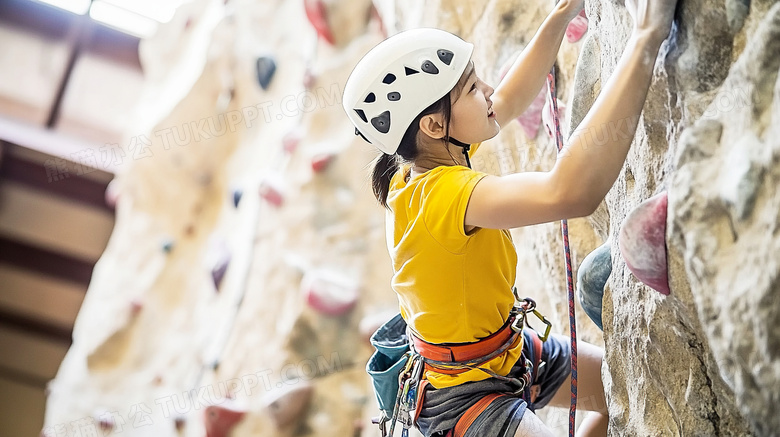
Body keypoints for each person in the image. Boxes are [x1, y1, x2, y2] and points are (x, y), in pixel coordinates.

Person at [343, 0, 679, 435]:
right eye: (470, 88)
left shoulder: (427, 158)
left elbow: (507, 99)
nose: (487, 90)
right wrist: (644, 40)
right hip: (464, 398)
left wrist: (560, 15)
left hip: (503, 351)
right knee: (618, 388)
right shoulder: (442, 195)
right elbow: (571, 192)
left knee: (621, 388)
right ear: (432, 125)